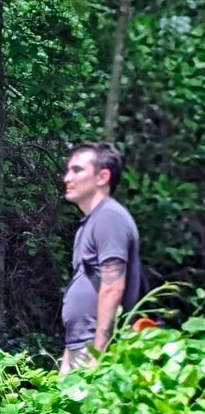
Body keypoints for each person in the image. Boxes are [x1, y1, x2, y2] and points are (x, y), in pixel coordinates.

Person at [59, 142, 144, 372]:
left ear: (102, 176)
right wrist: (68, 356)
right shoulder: (90, 222)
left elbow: (113, 286)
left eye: (77, 170)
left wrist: (99, 352)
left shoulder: (109, 217)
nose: (67, 178)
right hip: (80, 345)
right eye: (68, 171)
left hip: (97, 349)